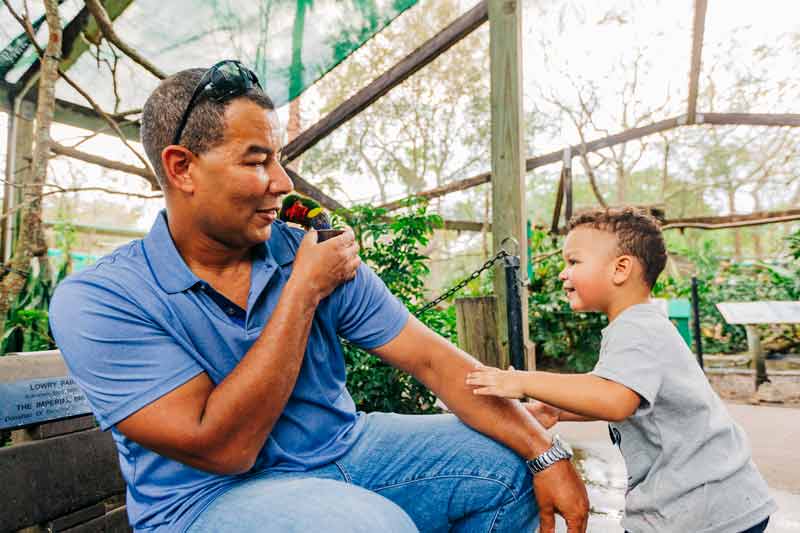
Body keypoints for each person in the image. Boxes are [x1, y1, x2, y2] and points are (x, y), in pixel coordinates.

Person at [49, 60, 589, 533]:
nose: (282, 182)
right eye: (256, 161)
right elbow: (223, 448)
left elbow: (431, 358)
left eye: (278, 158)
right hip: (206, 503)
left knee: (508, 463)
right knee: (368, 525)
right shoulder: (103, 299)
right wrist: (303, 291)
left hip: (342, 453)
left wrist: (546, 451)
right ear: (181, 168)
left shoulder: (304, 251)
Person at [466, 208, 777, 533]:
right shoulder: (642, 323)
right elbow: (628, 397)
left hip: (699, 509)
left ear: (620, 269)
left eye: (573, 262)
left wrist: (521, 381)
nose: (563, 273)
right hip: (721, 499)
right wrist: (559, 409)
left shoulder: (635, 329)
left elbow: (615, 400)